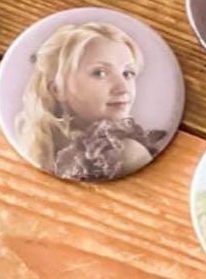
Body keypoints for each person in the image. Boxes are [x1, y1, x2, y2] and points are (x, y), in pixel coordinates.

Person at [14, 21, 166, 180]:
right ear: (57, 89)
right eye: (100, 73)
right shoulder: (42, 148)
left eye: (127, 73)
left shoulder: (127, 151)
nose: (123, 88)